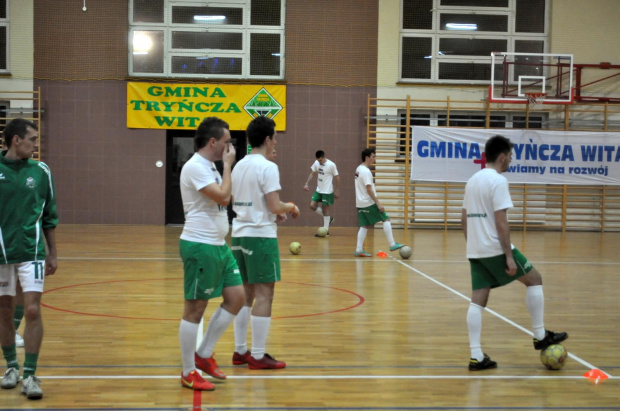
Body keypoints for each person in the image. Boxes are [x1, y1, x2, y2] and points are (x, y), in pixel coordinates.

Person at [461, 135, 568, 371]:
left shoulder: (472, 180)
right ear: (501, 157)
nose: (511, 160)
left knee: (478, 299)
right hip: (494, 248)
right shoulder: (498, 181)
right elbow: (501, 222)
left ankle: (476, 356)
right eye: (510, 156)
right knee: (535, 279)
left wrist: (474, 246)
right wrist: (508, 255)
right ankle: (540, 335)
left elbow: (463, 219)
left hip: (476, 249)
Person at [178, 117, 245, 391]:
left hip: (218, 245)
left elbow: (225, 196)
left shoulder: (210, 167)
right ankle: (187, 371)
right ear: (213, 142)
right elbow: (222, 197)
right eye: (227, 141)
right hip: (199, 244)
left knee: (237, 297)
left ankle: (203, 355)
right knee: (195, 308)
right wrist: (229, 165)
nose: (230, 146)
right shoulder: (195, 167)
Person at [230, 116, 299, 370]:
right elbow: (274, 204)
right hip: (260, 236)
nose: (275, 142)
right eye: (275, 138)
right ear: (268, 139)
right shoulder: (268, 166)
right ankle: (258, 356)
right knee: (265, 294)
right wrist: (290, 207)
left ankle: (240, 351)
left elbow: (244, 200)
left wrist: (272, 212)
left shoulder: (238, 165)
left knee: (246, 295)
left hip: (239, 233)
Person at [0, 118, 58, 400]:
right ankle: (11, 367)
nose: (36, 144)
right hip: (1, 254)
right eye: (32, 139)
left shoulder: (41, 171)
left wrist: (53, 252)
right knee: (5, 312)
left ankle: (31, 374)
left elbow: (49, 215)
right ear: (16, 140)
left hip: (32, 251)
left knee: (33, 310)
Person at [354, 148, 405, 257]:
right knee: (385, 218)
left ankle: (358, 249)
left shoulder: (358, 169)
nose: (374, 159)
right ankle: (392, 244)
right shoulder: (366, 171)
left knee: (364, 225)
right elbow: (369, 188)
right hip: (368, 202)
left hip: (360, 202)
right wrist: (378, 203)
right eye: (373, 157)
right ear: (367, 157)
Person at [304, 150, 339, 236]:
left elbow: (337, 177)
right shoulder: (316, 163)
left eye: (320, 160)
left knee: (325, 210)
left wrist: (337, 189)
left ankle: (326, 231)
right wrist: (306, 183)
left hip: (327, 191)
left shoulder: (331, 165)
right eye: (318, 160)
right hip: (318, 190)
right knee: (312, 205)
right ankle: (328, 219)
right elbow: (313, 173)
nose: (319, 162)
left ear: (324, 157)